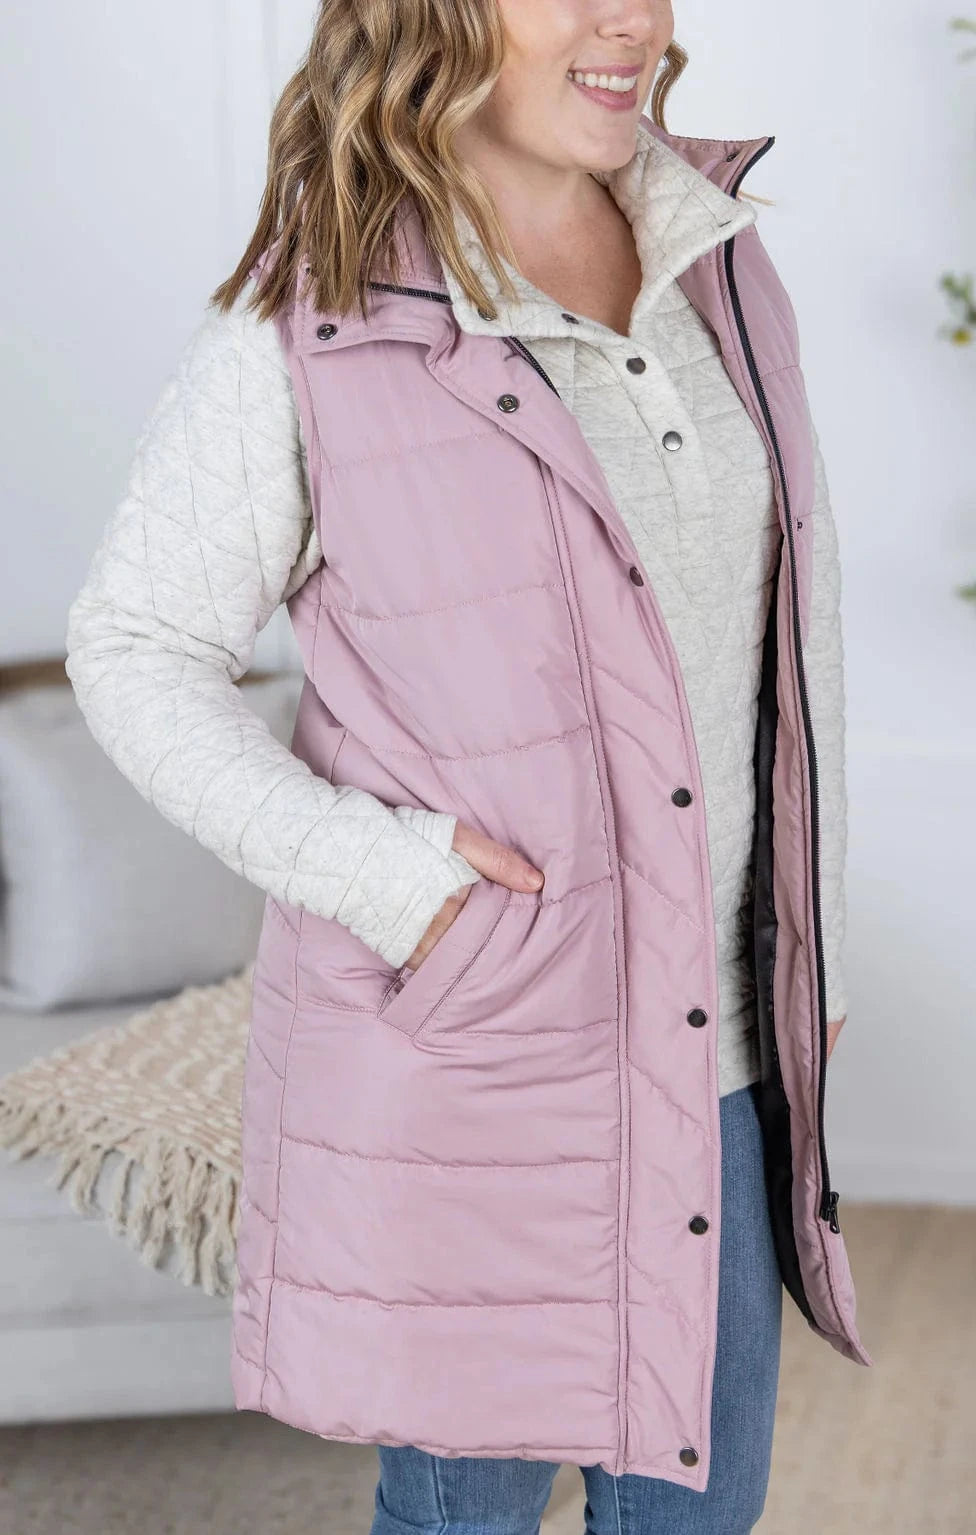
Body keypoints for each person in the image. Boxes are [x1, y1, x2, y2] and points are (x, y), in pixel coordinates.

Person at [65, 2, 871, 1530]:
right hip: (484, 1062)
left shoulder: (720, 257)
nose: (629, 18)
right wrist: (389, 881)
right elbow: (135, 646)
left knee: (702, 1516)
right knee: (464, 1522)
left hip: (718, 1055)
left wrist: (808, 926)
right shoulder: (316, 320)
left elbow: (790, 630)